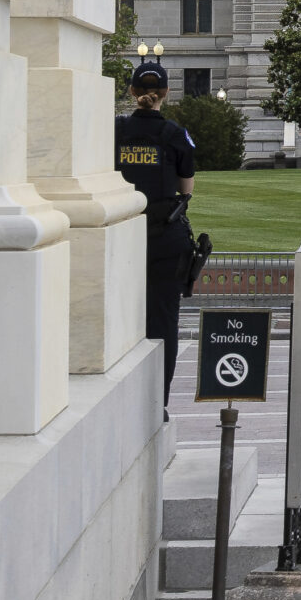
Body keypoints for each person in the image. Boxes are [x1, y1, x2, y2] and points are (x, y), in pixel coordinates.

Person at [114, 60, 197, 417]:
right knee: (163, 324)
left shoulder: (114, 130)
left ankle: (118, 401)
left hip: (119, 237)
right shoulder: (176, 135)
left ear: (132, 92)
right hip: (163, 238)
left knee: (117, 320)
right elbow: (186, 189)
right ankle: (154, 406)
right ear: (166, 93)